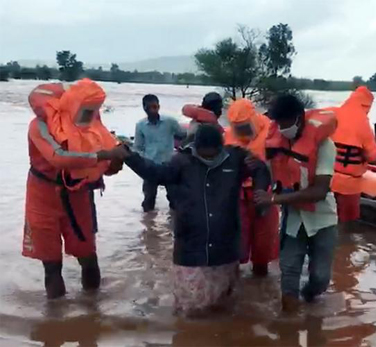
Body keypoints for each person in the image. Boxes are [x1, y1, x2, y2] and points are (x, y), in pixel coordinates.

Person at [105, 124, 271, 315]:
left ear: (221, 147)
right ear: (195, 148)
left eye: (213, 155)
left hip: (225, 249)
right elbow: (156, 173)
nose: (209, 158)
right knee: (189, 314)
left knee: (225, 308)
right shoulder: (181, 162)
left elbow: (261, 169)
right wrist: (131, 157)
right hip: (190, 250)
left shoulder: (236, 158)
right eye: (203, 154)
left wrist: (260, 191)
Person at [22, 79, 123, 299]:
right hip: (42, 197)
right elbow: (58, 158)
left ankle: (93, 310)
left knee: (88, 257)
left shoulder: (90, 127)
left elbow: (107, 167)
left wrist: (116, 160)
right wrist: (104, 155)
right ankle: (57, 319)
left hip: (78, 194)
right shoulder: (38, 126)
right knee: (51, 264)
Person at [254, 94, 338, 312]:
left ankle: (309, 298)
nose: (280, 127)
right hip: (293, 219)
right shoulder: (276, 143)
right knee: (289, 272)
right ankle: (289, 325)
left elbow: (319, 191)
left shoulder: (325, 146)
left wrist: (274, 199)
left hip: (322, 219)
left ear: (299, 118)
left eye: (284, 122)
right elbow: (267, 172)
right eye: (277, 123)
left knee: (320, 277)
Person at [224, 99, 279, 276]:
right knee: (235, 244)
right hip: (238, 197)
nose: (242, 132)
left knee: (264, 245)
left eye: (245, 127)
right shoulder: (227, 137)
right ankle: (237, 289)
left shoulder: (273, 133)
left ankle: (260, 275)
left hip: (265, 195)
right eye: (238, 128)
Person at [331, 86, 376, 231]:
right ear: (366, 105)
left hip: (328, 179)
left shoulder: (333, 114)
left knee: (329, 221)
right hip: (349, 185)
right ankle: (346, 250)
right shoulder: (363, 125)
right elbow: (372, 156)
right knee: (348, 224)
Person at [134, 94, 187, 212]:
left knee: (175, 200)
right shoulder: (141, 126)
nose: (153, 110)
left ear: (159, 106)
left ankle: (174, 224)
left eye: (155, 107)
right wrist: (143, 162)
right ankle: (148, 227)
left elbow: (183, 136)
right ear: (144, 108)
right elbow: (137, 147)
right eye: (150, 107)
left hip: (169, 165)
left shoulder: (170, 122)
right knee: (148, 201)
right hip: (150, 166)